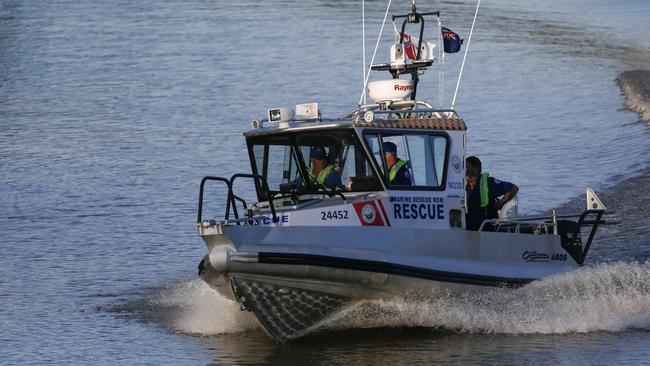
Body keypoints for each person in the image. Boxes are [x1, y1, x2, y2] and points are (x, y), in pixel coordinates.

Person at [465, 156, 519, 231]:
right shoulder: (461, 185)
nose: (463, 169)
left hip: (487, 231)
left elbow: (514, 188)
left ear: (476, 168)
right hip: (468, 231)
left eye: (466, 167)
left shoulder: (489, 183)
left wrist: (502, 202)